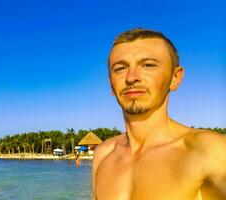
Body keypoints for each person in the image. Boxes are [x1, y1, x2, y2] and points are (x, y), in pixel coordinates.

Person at [92, 28, 226, 200]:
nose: (131, 77)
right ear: (111, 85)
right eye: (120, 68)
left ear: (175, 78)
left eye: (148, 65)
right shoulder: (103, 155)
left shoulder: (208, 150)